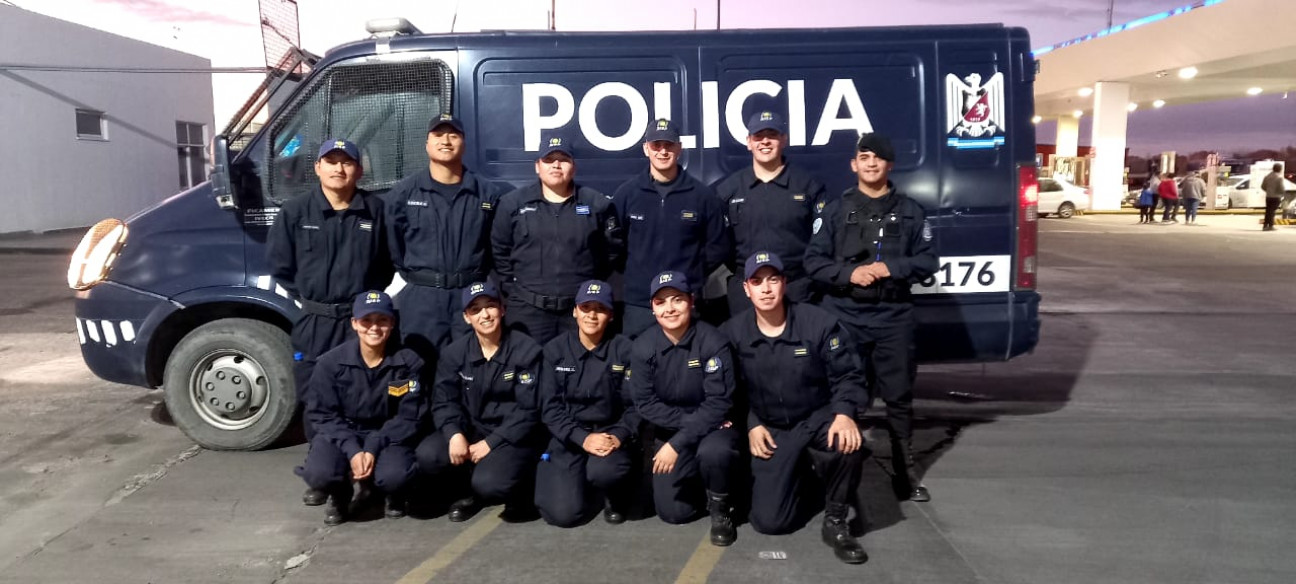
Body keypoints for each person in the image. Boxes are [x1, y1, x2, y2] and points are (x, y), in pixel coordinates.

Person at [804, 133, 938, 502]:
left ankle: (903, 469)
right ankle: (841, 469)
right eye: (864, 157)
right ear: (854, 164)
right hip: (845, 314)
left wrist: (888, 268)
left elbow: (928, 261)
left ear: (889, 165)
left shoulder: (911, 211)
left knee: (898, 396)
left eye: (879, 158)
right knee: (843, 394)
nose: (871, 163)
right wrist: (849, 275)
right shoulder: (835, 211)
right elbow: (813, 261)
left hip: (893, 315)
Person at [266, 138, 393, 507]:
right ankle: (323, 475)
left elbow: (385, 267)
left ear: (359, 169)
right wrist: (315, 299)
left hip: (360, 323)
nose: (339, 169)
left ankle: (367, 476)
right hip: (316, 321)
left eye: (347, 162)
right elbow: (281, 267)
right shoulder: (295, 212)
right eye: (331, 162)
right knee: (315, 398)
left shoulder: (375, 211)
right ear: (318, 168)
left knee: (367, 398)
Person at [720, 252, 869, 564]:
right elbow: (727, 392)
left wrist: (844, 413)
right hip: (771, 427)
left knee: (848, 443)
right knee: (771, 523)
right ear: (746, 289)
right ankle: (803, 475)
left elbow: (849, 374)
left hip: (817, 416)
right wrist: (751, 423)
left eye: (773, 279)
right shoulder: (732, 333)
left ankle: (836, 519)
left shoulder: (819, 323)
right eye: (756, 281)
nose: (765, 288)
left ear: (784, 283)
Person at [417, 281, 545, 522]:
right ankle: (467, 491)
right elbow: (444, 401)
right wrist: (454, 433)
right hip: (472, 428)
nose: (485, 314)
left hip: (512, 435)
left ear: (502, 310)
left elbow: (530, 410)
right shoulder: (454, 353)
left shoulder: (526, 350)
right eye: (475, 309)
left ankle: (522, 485)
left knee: (491, 484)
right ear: (467, 318)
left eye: (490, 306)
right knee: (428, 455)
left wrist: (492, 442)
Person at [628, 271, 740, 546]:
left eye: (677, 299)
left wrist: (677, 443)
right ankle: (703, 486)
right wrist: (687, 428)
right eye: (661, 302)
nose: (669, 308)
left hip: (714, 430)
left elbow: (719, 402)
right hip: (679, 428)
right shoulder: (643, 347)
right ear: (653, 308)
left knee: (715, 452)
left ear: (691, 301)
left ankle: (721, 507)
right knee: (673, 513)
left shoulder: (713, 341)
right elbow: (645, 404)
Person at [295, 291, 424, 525]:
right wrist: (353, 449)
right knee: (319, 474)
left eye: (382, 320)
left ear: (392, 324)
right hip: (344, 431)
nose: (374, 328)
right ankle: (340, 494)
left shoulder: (409, 363)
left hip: (387, 434)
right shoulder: (330, 363)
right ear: (354, 323)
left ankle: (390, 493)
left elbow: (409, 416)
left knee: (396, 476)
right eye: (367, 321)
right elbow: (322, 414)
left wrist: (372, 447)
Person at [384, 114, 505, 360]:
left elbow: (496, 248)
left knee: (470, 366)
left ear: (464, 143)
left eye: (453, 135)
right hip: (422, 298)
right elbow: (394, 248)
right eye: (438, 135)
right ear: (427, 143)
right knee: (420, 366)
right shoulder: (403, 194)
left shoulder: (487, 194)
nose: (446, 141)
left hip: (471, 295)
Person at [492, 132, 621, 344]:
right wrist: (514, 290)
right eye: (549, 160)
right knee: (529, 372)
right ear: (537, 166)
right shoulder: (512, 205)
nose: (556, 165)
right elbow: (499, 250)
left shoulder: (596, 205)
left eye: (563, 160)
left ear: (574, 166)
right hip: (527, 311)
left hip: (579, 311)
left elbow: (611, 251)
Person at [534, 280, 638, 526]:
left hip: (610, 436)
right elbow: (550, 408)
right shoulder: (554, 351)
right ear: (575, 311)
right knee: (564, 515)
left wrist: (619, 435)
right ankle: (576, 482)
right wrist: (582, 438)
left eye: (600, 309)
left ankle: (615, 492)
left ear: (610, 315)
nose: (592, 315)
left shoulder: (625, 350)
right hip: (570, 437)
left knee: (604, 472)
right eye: (586, 307)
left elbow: (636, 405)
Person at [613, 118, 729, 336]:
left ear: (679, 148)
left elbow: (718, 247)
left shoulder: (702, 196)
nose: (663, 151)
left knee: (685, 366)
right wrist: (638, 273)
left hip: (684, 301)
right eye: (657, 145)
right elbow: (613, 246)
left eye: (669, 145)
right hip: (640, 304)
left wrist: (691, 273)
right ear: (646, 149)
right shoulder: (627, 195)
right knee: (639, 366)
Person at [713, 111, 828, 315]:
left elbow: (822, 240)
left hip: (797, 288)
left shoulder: (808, 186)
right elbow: (720, 244)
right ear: (749, 142)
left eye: (772, 135)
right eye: (758, 136)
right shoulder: (728, 190)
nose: (765, 142)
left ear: (784, 139)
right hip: (746, 291)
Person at [1261, 163, 1284, 231]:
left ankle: (1265, 225)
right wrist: (1281, 193)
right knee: (1272, 211)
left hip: (1268, 196)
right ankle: (1271, 225)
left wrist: (1268, 191)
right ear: (1279, 169)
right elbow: (1281, 188)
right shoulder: (1279, 177)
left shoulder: (1267, 176)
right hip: (1276, 196)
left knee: (1268, 211)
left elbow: (1263, 186)